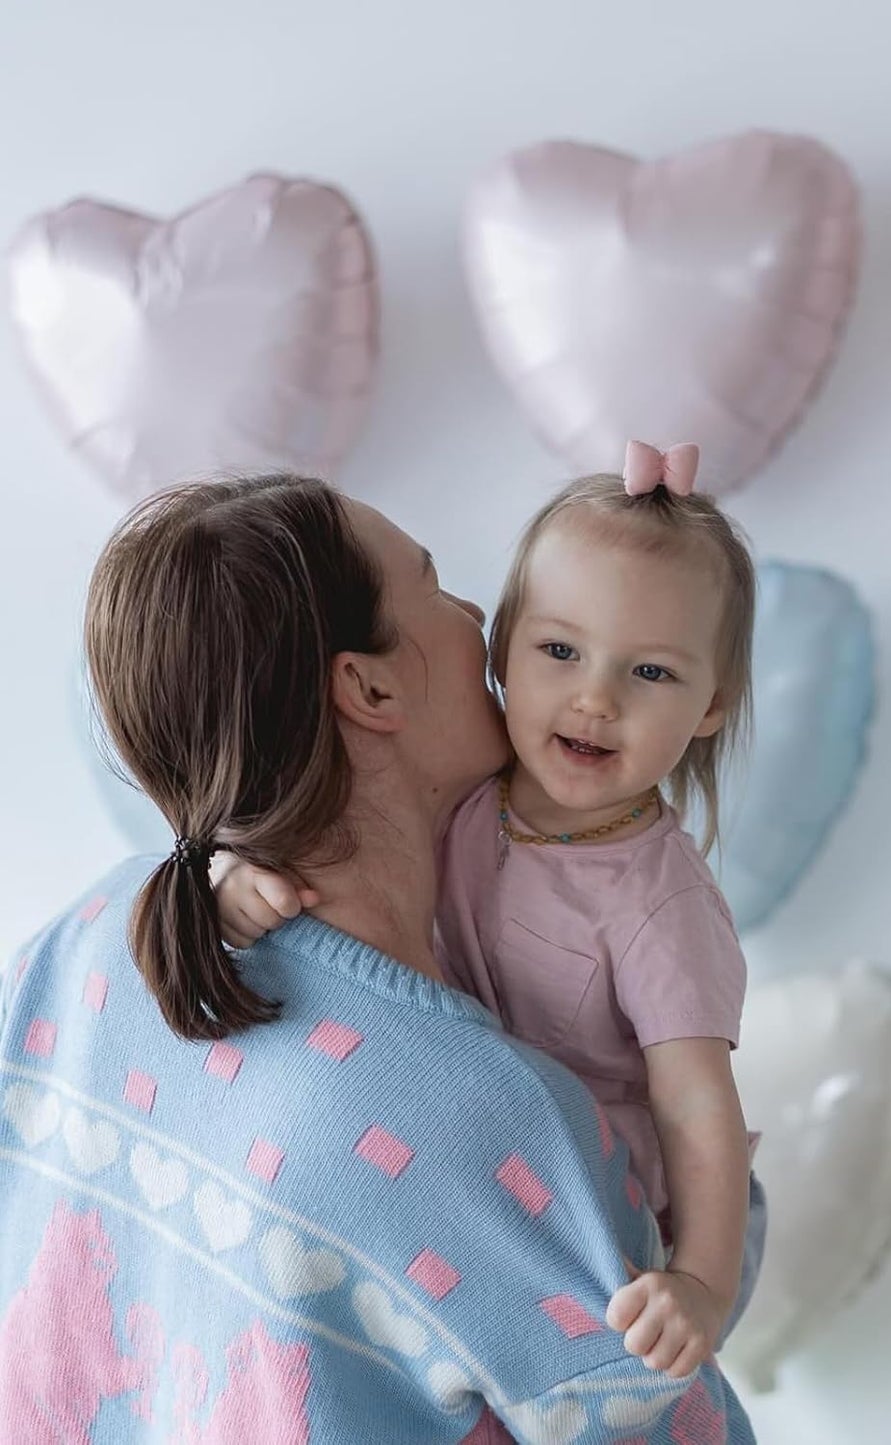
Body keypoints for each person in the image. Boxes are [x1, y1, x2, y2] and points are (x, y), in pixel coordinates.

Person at [0, 474, 754, 1443]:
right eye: (434, 585)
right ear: (369, 686)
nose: (480, 614)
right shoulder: (492, 1120)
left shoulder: (98, 926)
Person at [216, 441, 765, 1381]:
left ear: (712, 705)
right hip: (471, 1145)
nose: (594, 698)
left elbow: (696, 1109)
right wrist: (234, 875)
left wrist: (704, 1283)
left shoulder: (659, 900)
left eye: (651, 674)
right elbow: (331, 843)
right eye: (560, 651)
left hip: (613, 1205)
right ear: (503, 645)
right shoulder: (463, 791)